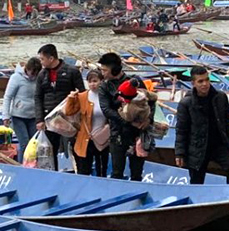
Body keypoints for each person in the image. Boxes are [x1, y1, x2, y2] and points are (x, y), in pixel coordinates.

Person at [175, 66, 229, 184]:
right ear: (193, 83)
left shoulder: (221, 97)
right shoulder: (186, 103)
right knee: (196, 180)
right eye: (200, 81)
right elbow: (182, 130)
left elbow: (227, 124)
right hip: (197, 147)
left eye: (207, 80)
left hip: (218, 145)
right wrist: (179, 153)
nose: (205, 84)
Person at [98, 52, 152, 181]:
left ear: (115, 69)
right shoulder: (104, 87)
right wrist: (126, 121)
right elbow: (106, 109)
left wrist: (149, 120)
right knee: (117, 172)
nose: (102, 73)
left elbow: (150, 101)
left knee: (137, 172)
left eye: (105, 70)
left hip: (138, 134)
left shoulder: (135, 81)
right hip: (117, 134)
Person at [34, 44, 85, 170]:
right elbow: (37, 97)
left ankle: (81, 171)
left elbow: (82, 93)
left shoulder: (72, 71)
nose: (41, 62)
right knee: (51, 149)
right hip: (49, 118)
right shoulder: (41, 75)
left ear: (51, 58)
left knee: (76, 146)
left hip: (69, 117)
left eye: (42, 59)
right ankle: (53, 172)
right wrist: (39, 119)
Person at [64, 69, 110, 176]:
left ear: (101, 81)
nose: (92, 84)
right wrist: (71, 98)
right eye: (89, 81)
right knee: (84, 170)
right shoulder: (82, 96)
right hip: (86, 138)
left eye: (95, 81)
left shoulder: (107, 96)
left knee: (102, 170)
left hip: (102, 138)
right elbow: (69, 111)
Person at [2, 57, 42, 162]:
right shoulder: (16, 78)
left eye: (35, 74)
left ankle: (33, 166)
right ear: (27, 69)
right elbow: (8, 97)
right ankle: (22, 167)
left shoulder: (39, 78)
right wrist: (5, 116)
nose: (33, 76)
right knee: (25, 143)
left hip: (33, 116)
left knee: (34, 144)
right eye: (32, 73)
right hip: (18, 117)